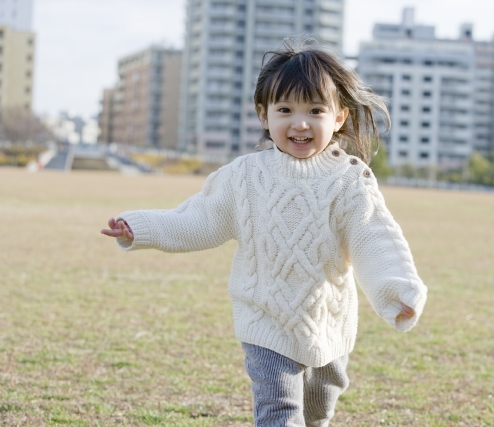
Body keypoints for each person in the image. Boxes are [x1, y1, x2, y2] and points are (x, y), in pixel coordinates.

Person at [101, 39, 427, 427]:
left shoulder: (349, 181)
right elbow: (199, 220)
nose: (299, 122)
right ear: (264, 114)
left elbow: (374, 238)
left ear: (339, 117)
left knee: (318, 411)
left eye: (315, 110)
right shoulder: (245, 176)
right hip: (265, 321)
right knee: (279, 412)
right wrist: (140, 227)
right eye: (285, 109)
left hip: (327, 323)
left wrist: (398, 291)